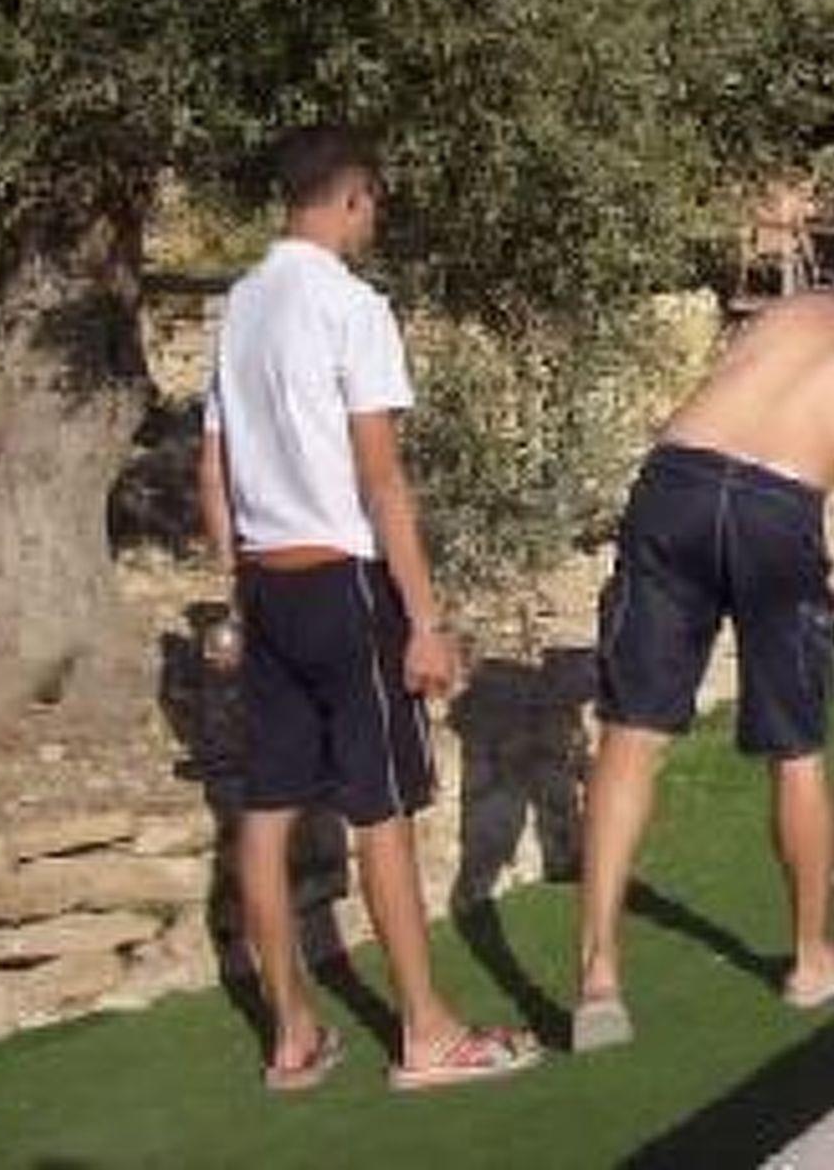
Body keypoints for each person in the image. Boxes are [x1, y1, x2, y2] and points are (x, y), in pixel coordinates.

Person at [197, 125, 541, 1093]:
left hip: (266, 583)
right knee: (380, 809)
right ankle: (426, 1035)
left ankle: (292, 1035)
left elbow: (213, 468)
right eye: (373, 203)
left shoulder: (240, 305)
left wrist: (235, 596)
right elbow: (381, 478)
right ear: (352, 197)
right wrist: (424, 621)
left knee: (266, 812)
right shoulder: (353, 306)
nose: (375, 219)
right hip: (344, 582)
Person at [573, 246, 834, 1050]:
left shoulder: (796, 310)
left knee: (631, 735)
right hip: (774, 509)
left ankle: (598, 979)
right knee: (796, 750)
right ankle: (812, 960)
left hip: (675, 482)